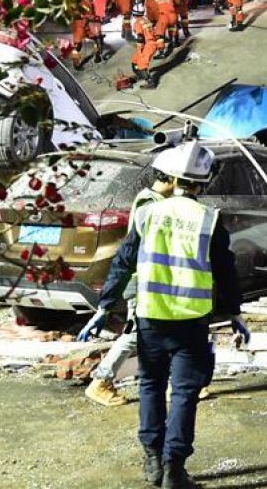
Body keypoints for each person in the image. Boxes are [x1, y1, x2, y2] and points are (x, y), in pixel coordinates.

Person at [77, 141, 247, 489]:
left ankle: (152, 461)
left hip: (151, 318)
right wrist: (235, 314)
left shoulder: (147, 214)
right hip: (191, 321)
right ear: (203, 182)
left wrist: (104, 307)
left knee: (151, 385)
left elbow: (122, 263)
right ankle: (174, 470)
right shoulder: (209, 220)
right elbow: (226, 272)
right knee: (185, 392)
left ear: (171, 177)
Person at [85, 171, 175, 407]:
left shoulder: (155, 201)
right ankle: (101, 381)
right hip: (143, 283)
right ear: (172, 178)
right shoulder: (150, 204)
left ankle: (171, 385)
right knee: (135, 335)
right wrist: (105, 305)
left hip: (152, 282)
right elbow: (130, 253)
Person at [71, 0, 107, 69]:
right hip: (80, 26)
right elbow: (77, 15)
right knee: (77, 45)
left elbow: (92, 15)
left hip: (88, 25)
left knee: (98, 38)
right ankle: (76, 63)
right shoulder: (81, 5)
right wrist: (89, 17)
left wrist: (97, 18)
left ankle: (98, 56)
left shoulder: (91, 4)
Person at [129, 0, 159, 89]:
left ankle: (150, 83)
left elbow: (140, 38)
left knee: (141, 64)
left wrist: (140, 49)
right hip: (150, 43)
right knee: (134, 61)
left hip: (148, 45)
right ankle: (141, 75)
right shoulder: (146, 19)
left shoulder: (137, 22)